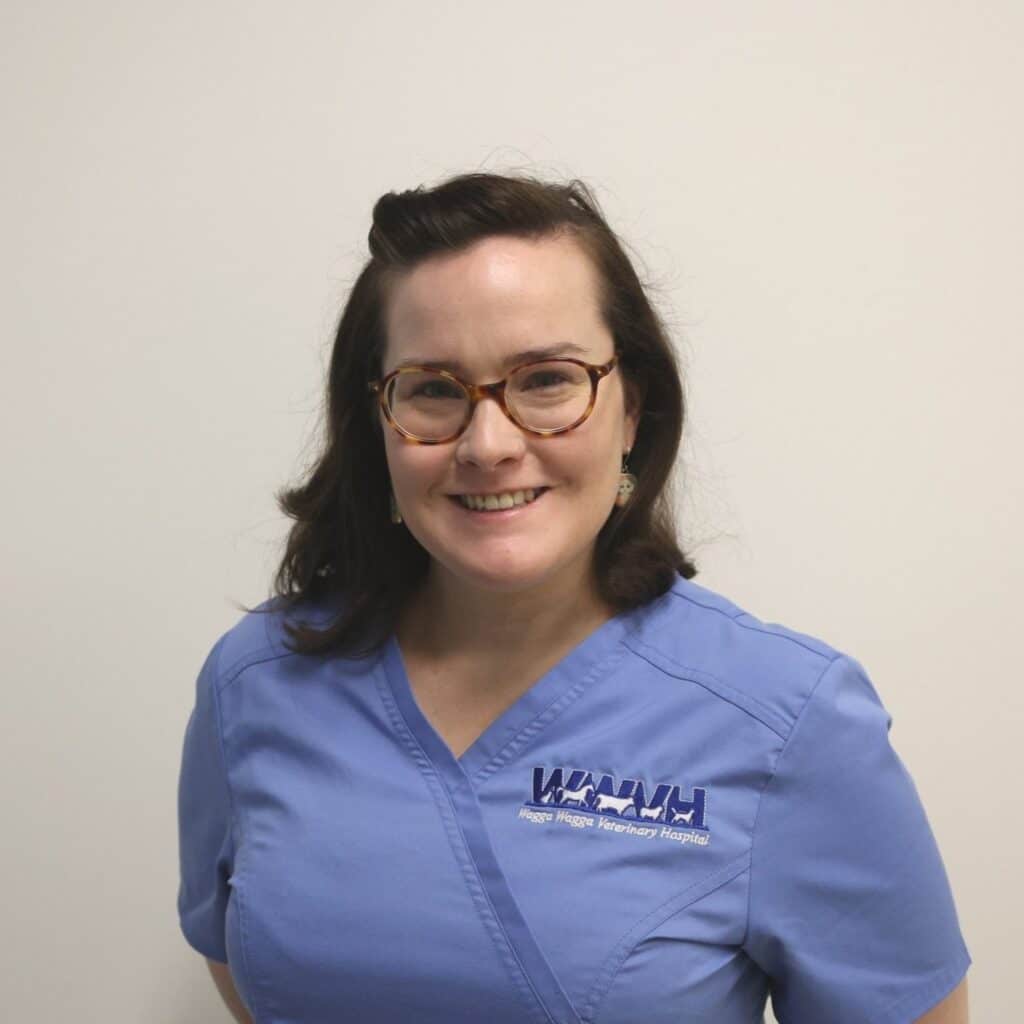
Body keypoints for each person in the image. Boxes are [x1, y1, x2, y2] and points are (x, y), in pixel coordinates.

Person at [176, 172, 971, 1024]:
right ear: (377, 425)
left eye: (547, 380)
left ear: (633, 409)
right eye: (434, 389)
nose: (489, 444)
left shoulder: (791, 724)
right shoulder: (257, 681)